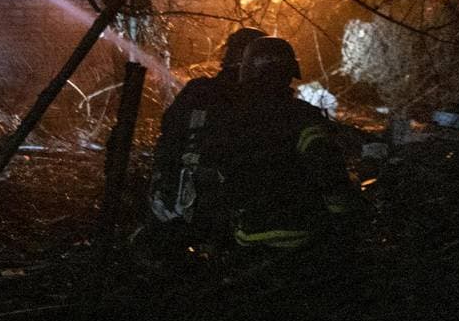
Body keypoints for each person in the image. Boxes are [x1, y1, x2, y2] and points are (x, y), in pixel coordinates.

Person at [210, 35, 359, 250]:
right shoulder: (302, 116)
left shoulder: (229, 118)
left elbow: (217, 174)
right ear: (289, 74)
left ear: (247, 71)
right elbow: (327, 169)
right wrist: (346, 220)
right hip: (303, 238)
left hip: (246, 237)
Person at [145, 26, 264, 246]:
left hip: (178, 210)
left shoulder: (197, 90)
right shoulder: (257, 102)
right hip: (223, 217)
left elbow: (168, 136)